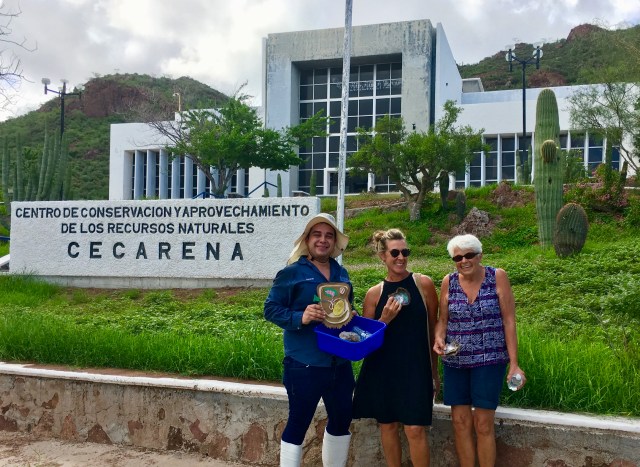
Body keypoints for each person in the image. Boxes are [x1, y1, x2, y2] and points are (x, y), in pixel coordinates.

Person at [264, 213, 355, 467]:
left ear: (334, 242)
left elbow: (346, 308)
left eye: (329, 236)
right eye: (317, 235)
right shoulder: (291, 273)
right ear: (307, 240)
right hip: (304, 363)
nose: (323, 240)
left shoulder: (341, 273)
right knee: (299, 423)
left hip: (339, 363)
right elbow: (270, 309)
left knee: (342, 421)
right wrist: (300, 316)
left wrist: (351, 314)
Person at [433, 234, 526, 467]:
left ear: (479, 255)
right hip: (456, 360)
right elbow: (443, 320)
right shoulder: (448, 281)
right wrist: (439, 338)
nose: (464, 261)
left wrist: (514, 363)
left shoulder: (497, 276)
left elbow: (509, 321)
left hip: (489, 359)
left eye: (469, 255)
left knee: (483, 424)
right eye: (458, 257)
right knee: (460, 422)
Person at [352, 229, 439, 467]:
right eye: (395, 253)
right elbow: (366, 341)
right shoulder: (374, 294)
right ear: (383, 256)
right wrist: (384, 320)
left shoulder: (423, 284)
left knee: (415, 429)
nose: (401, 257)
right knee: (388, 426)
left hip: (416, 369)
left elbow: (433, 331)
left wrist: (434, 373)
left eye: (405, 252)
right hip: (383, 369)